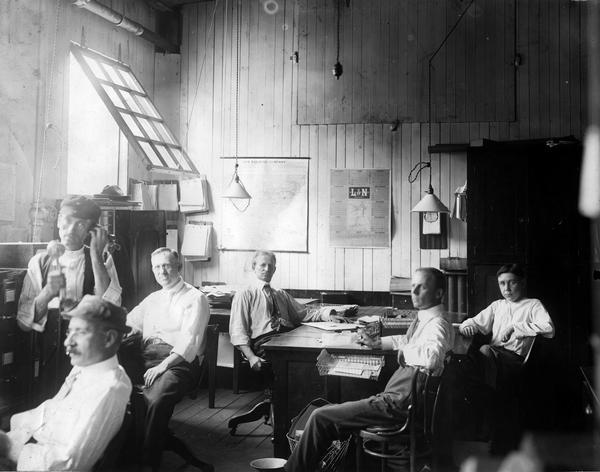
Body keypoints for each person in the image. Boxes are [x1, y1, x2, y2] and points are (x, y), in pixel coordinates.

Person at [284, 268, 453, 472]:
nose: (414, 292)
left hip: (398, 405)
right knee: (332, 415)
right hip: (400, 399)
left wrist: (404, 353)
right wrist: (378, 343)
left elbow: (432, 357)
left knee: (320, 417)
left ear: (439, 293)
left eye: (422, 287)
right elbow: (408, 341)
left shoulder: (438, 325)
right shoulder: (427, 319)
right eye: (412, 286)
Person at [0, 295, 132, 471]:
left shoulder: (108, 388)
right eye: (70, 332)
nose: (67, 342)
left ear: (108, 339)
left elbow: (69, 465)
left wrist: (8, 447)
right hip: (28, 443)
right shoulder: (86, 366)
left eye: (80, 332)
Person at [17, 195, 122, 397]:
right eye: (66, 220)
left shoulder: (103, 259)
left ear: (91, 230)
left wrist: (96, 256)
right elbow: (23, 322)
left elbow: (110, 308)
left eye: (81, 225)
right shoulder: (39, 262)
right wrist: (48, 292)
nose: (71, 229)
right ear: (58, 220)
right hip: (51, 352)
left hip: (90, 351)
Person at [124, 247, 210, 469]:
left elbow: (189, 342)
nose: (162, 271)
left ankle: (149, 461)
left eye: (166, 265)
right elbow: (130, 321)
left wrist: (163, 366)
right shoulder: (152, 298)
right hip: (146, 357)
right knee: (117, 386)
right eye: (156, 267)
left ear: (178, 267)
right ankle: (127, 452)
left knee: (157, 398)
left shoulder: (195, 298)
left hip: (179, 363)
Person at [229, 250, 348, 371]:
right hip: (264, 343)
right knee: (301, 360)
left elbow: (304, 313)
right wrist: (251, 357)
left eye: (270, 266)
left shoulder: (280, 294)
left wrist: (328, 315)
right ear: (254, 267)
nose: (267, 269)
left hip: (287, 337)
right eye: (262, 265)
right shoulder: (245, 294)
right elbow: (238, 331)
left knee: (319, 350)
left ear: (274, 270)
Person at [458, 263, 555, 389]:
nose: (507, 289)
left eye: (512, 282)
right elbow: (475, 321)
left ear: (522, 283)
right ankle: (486, 392)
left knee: (484, 351)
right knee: (469, 357)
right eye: (502, 283)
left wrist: (514, 327)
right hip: (494, 354)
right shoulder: (497, 305)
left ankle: (489, 394)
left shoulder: (533, 304)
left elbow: (549, 328)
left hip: (516, 359)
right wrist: (467, 326)